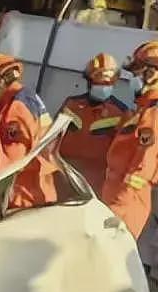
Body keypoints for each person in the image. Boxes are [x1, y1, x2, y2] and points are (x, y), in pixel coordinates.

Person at [0, 53, 58, 209]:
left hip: (24, 196)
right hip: (37, 189)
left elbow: (10, 163)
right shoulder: (25, 97)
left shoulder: (16, 108)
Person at [102, 41, 158, 239]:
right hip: (117, 197)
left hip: (127, 203)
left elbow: (142, 166)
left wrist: (119, 208)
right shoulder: (143, 109)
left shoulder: (153, 113)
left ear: (151, 74)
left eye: (137, 73)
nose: (133, 79)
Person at [57, 53, 128, 192]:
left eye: (107, 83)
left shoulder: (121, 114)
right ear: (89, 82)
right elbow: (53, 137)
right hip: (63, 176)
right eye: (98, 82)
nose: (102, 86)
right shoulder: (71, 105)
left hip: (96, 185)